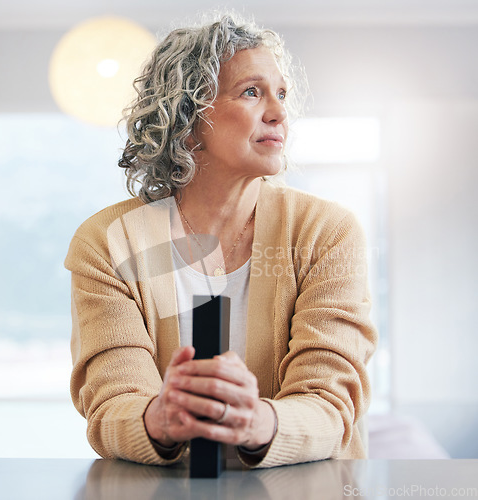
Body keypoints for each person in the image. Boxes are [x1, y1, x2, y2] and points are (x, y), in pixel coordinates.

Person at [65, 13, 377, 468]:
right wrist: (159, 418)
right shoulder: (108, 243)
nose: (278, 111)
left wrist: (259, 423)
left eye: (282, 93)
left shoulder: (327, 233)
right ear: (187, 117)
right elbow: (112, 405)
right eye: (252, 91)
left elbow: (332, 403)